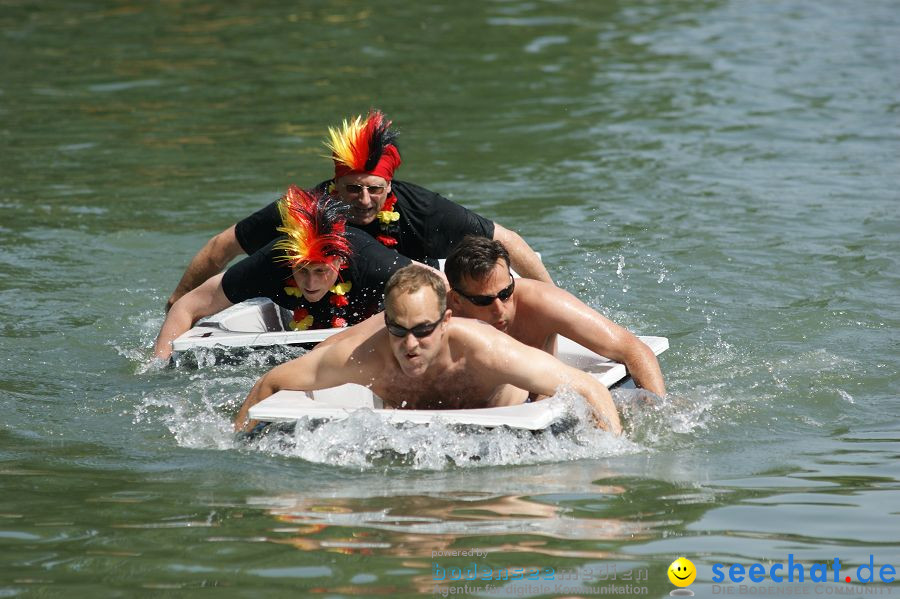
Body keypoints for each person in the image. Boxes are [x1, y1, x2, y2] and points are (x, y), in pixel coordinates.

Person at [165, 109, 551, 311]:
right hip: (314, 312)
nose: (363, 201)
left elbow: (508, 241)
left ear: (389, 186)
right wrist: (177, 301)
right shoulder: (304, 208)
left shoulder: (424, 209)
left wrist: (551, 299)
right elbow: (222, 248)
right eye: (352, 190)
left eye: (374, 190)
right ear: (334, 185)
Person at [233, 265, 623, 435]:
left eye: (423, 330)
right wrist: (232, 447)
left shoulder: (485, 350)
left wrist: (616, 468)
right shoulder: (364, 358)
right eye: (398, 330)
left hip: (507, 425)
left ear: (447, 321)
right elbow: (272, 382)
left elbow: (590, 389)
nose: (410, 345)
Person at [154, 186, 410, 360]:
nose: (310, 283)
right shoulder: (271, 262)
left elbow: (436, 286)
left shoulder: (372, 262)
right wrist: (158, 367)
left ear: (339, 261)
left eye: (321, 271)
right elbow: (185, 307)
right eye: (302, 270)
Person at [444, 236, 666, 397]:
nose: (500, 309)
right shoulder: (436, 322)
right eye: (483, 301)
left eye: (505, 294)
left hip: (540, 404)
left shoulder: (540, 302)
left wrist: (658, 412)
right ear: (456, 300)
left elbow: (633, 348)